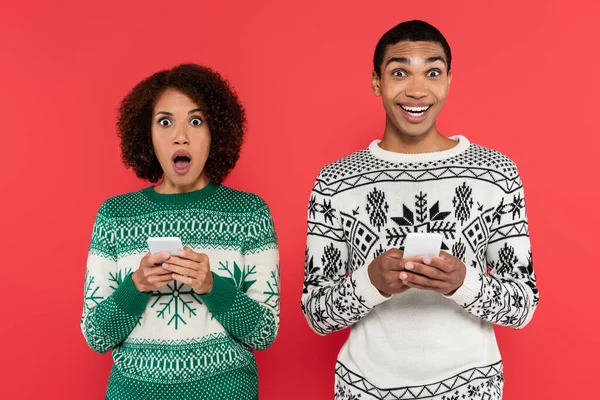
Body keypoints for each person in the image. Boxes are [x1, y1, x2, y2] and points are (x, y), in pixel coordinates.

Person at [301, 20, 538, 400]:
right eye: (399, 72)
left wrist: (463, 283)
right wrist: (371, 282)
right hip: (364, 389)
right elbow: (316, 315)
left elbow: (523, 306)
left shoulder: (496, 173)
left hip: (472, 387)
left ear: (448, 81)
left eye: (432, 71)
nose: (416, 89)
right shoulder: (333, 182)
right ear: (377, 82)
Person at [81, 64, 280, 400]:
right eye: (165, 121)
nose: (181, 135)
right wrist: (137, 285)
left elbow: (264, 332)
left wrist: (211, 285)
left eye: (196, 120)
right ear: (147, 134)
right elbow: (96, 336)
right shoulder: (114, 216)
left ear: (216, 131)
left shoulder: (250, 213)